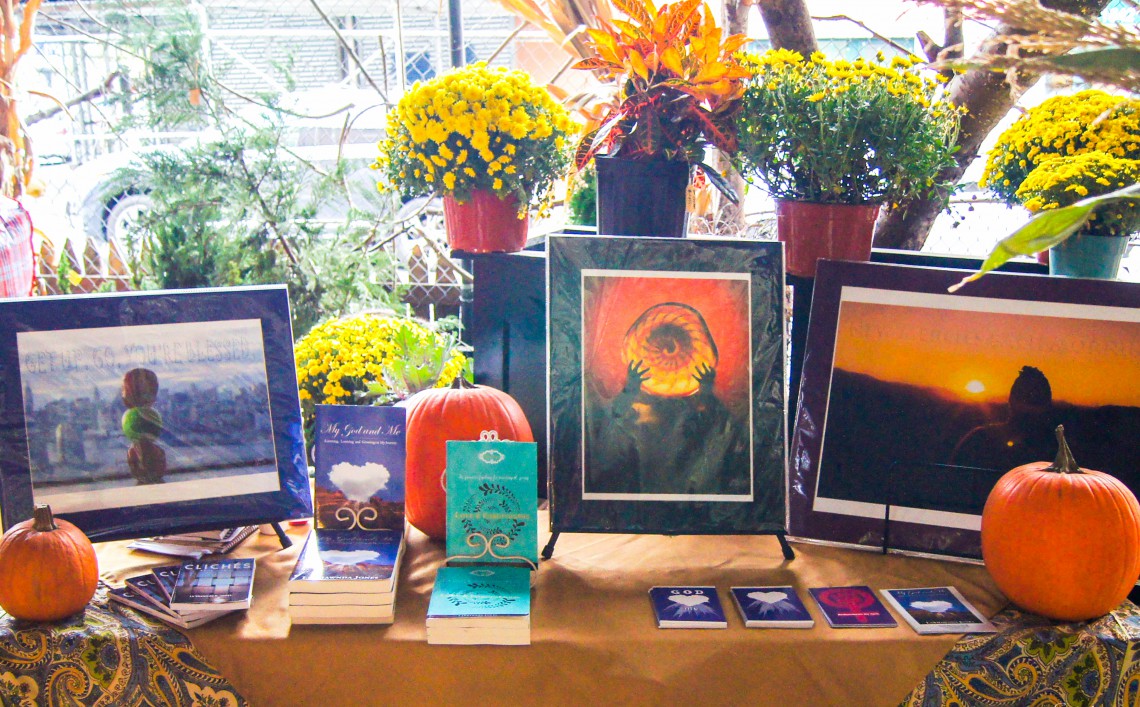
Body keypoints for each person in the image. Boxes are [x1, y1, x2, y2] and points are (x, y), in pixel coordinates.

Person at [950, 365, 1060, 470]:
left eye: (1035, 400)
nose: (1028, 408)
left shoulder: (979, 439)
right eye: (1026, 399)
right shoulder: (979, 439)